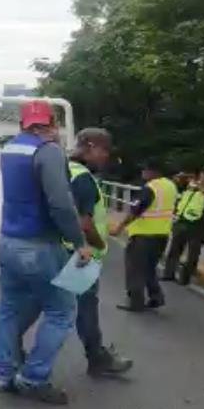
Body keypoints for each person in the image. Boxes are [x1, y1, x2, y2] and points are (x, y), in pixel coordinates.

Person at [0, 100, 93, 405]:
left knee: (8, 308)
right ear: (51, 124)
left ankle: (2, 373)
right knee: (62, 310)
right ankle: (34, 377)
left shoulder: (9, 149)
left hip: (7, 242)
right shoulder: (47, 151)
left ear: (23, 124)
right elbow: (61, 204)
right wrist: (78, 243)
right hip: (38, 245)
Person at [66, 128, 133, 376]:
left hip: (62, 249)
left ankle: (13, 352)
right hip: (82, 254)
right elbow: (85, 223)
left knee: (46, 305)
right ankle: (97, 358)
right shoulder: (82, 177)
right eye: (104, 150)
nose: (106, 157)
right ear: (90, 146)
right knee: (85, 309)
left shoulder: (63, 169)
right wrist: (100, 245)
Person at [111, 162, 179, 311]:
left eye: (144, 169)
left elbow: (135, 211)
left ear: (152, 171)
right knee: (149, 268)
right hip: (162, 235)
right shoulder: (171, 186)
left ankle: (136, 302)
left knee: (135, 269)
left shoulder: (150, 188)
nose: (142, 172)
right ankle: (156, 297)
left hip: (143, 236)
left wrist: (119, 227)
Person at [162, 166, 204, 285]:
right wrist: (183, 178)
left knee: (192, 253)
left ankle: (185, 278)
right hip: (182, 219)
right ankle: (169, 273)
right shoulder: (192, 185)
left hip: (198, 224)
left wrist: (196, 184)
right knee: (175, 248)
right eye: (203, 173)